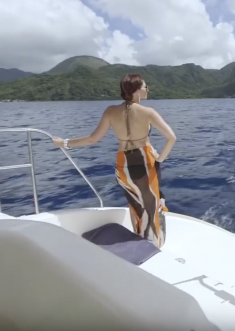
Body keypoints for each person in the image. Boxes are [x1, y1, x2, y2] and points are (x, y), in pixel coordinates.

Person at [52, 74, 176, 248]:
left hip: (123, 164)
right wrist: (159, 159)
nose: (147, 90)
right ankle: (154, 246)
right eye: (145, 87)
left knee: (134, 205)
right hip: (145, 163)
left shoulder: (110, 111)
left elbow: (92, 139)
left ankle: (139, 240)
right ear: (137, 91)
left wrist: (63, 143)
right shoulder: (148, 112)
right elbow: (171, 137)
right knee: (151, 206)